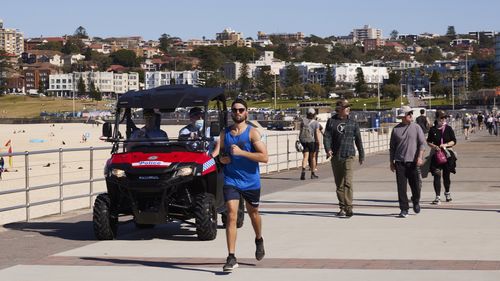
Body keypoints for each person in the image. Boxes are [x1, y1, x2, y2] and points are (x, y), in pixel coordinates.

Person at [218, 98, 268, 272]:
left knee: (254, 213)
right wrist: (222, 159)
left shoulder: (253, 133)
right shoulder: (225, 133)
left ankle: (259, 238)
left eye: (241, 110)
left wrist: (242, 153)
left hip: (251, 181)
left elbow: (264, 157)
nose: (237, 113)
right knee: (231, 215)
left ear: (246, 112)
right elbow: (219, 154)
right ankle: (231, 257)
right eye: (234, 110)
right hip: (231, 180)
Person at [323, 99, 364, 218]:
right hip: (336, 156)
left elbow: (358, 140)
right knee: (339, 184)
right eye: (345, 107)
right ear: (339, 109)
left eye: (348, 107)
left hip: (349, 155)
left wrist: (361, 154)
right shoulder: (331, 121)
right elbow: (327, 137)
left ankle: (349, 207)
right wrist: (328, 149)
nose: (348, 109)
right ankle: (342, 207)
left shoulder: (353, 122)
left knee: (348, 182)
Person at [389, 106, 426, 218]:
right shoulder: (395, 130)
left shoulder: (416, 127)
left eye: (411, 113)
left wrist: (420, 157)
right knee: (401, 187)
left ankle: (415, 200)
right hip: (400, 162)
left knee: (415, 186)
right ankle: (404, 209)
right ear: (403, 117)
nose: (411, 115)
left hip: (413, 162)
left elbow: (422, 144)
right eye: (408, 114)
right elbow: (392, 147)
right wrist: (391, 162)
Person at [427, 110, 457, 204]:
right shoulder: (432, 129)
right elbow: (428, 141)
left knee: (446, 175)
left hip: (447, 154)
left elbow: (454, 141)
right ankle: (437, 196)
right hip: (436, 154)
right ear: (437, 118)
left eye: (445, 118)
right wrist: (434, 146)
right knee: (436, 174)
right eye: (442, 118)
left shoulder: (448, 128)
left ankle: (447, 193)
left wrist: (446, 144)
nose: (444, 119)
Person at [299, 108, 321, 180]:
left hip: (303, 141)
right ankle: (313, 173)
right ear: (314, 114)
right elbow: (317, 134)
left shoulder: (303, 121)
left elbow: (300, 131)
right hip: (311, 141)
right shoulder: (315, 123)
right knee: (313, 157)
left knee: (305, 157)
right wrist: (318, 142)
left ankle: (303, 172)